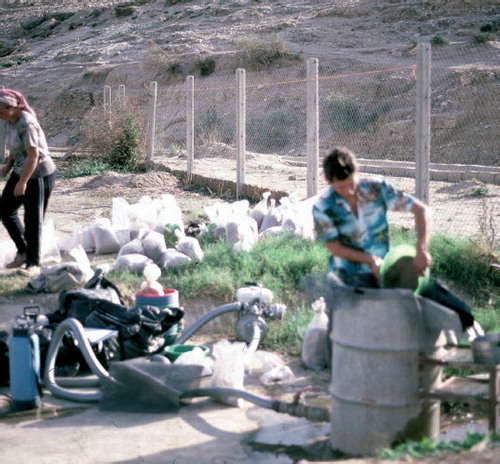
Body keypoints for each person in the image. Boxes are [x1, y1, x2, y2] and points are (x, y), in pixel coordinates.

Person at [313, 146, 431, 289]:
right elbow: (334, 247)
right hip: (347, 276)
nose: (349, 191)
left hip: (385, 270)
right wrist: (371, 260)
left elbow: (421, 210)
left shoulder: (377, 189)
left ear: (357, 171)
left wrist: (421, 250)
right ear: (328, 181)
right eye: (341, 187)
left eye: (351, 183)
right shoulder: (323, 207)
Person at [0, 89, 56, 277]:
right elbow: (14, 148)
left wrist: (22, 182)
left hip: (38, 173)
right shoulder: (9, 120)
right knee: (4, 209)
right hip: (21, 170)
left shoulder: (26, 122)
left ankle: (34, 263)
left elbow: (34, 154)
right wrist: (8, 167)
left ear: (12, 107)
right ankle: (23, 251)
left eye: (1, 111)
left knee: (33, 219)